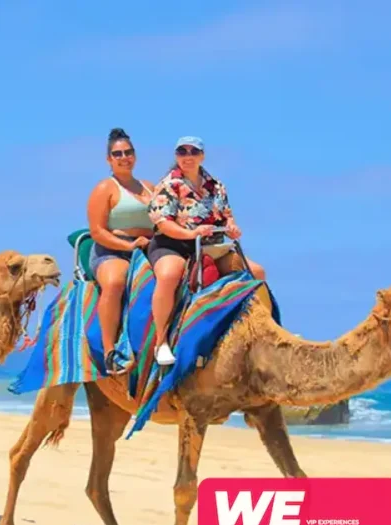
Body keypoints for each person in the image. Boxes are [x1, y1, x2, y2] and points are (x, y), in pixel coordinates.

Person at [146, 135, 266, 366]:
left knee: (257, 272)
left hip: (211, 245)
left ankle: (261, 331)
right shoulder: (169, 185)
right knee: (170, 275)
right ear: (176, 156)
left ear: (202, 155)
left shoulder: (215, 185)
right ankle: (161, 341)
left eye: (193, 152)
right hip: (173, 244)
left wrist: (231, 227)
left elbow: (226, 215)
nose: (188, 157)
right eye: (183, 152)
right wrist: (191, 233)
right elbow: (163, 223)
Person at [86, 128, 155, 374]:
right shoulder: (105, 188)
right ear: (109, 159)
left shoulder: (149, 187)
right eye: (118, 154)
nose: (124, 157)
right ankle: (109, 350)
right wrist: (128, 246)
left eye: (128, 152)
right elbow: (97, 231)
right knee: (116, 282)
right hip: (112, 251)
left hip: (148, 248)